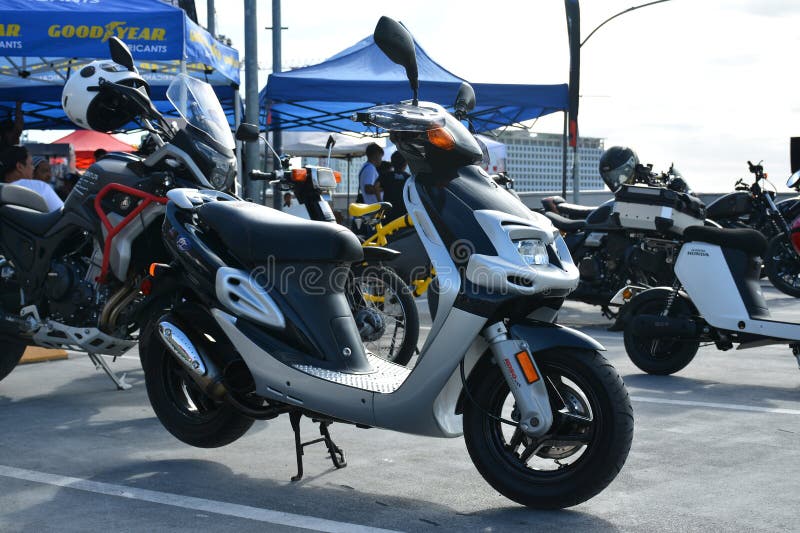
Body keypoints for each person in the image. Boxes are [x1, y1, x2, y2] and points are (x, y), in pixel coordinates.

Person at [1, 146, 63, 212]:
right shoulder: (40, 187)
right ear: (20, 166)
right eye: (31, 164)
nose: (33, 168)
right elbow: (64, 215)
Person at [379, 151, 411, 220]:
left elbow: (376, 187)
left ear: (392, 163)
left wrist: (380, 205)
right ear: (405, 163)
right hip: (405, 213)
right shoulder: (409, 179)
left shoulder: (385, 176)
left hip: (388, 212)